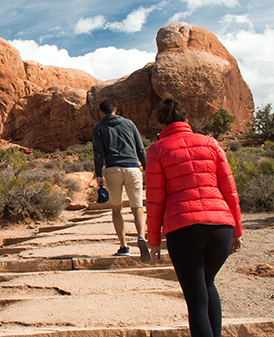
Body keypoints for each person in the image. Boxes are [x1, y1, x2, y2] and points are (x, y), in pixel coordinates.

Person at [145, 99, 243, 337]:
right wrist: (237, 231)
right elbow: (229, 189)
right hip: (220, 227)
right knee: (208, 284)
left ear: (161, 123)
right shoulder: (210, 143)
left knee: (196, 300)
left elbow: (155, 199)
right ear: (187, 120)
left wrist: (154, 240)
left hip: (183, 230)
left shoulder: (157, 150)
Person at [92, 99, 149, 262]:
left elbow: (98, 153)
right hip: (132, 168)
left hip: (112, 169)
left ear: (101, 112)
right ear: (115, 109)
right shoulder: (129, 124)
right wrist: (146, 168)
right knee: (137, 207)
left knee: (116, 209)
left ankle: (124, 246)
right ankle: (141, 238)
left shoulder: (98, 128)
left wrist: (98, 173)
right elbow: (140, 148)